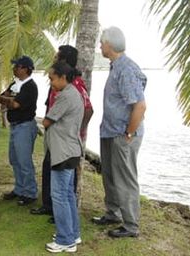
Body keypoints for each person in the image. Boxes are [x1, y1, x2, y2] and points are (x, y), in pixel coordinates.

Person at [92, 26, 147, 238]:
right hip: (110, 131)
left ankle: (131, 225)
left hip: (122, 134)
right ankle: (113, 213)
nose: (99, 46)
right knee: (110, 176)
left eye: (101, 42)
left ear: (109, 45)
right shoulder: (116, 67)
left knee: (125, 179)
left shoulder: (126, 69)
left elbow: (140, 106)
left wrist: (129, 134)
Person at [30, 45, 93, 222]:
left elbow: (88, 109)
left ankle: (60, 214)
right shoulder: (58, 81)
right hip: (55, 134)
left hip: (65, 139)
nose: (54, 59)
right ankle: (49, 206)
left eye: (57, 57)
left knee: (64, 184)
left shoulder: (75, 84)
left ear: (64, 61)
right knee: (49, 170)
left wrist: (77, 130)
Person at [43, 61, 83, 253]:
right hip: (70, 150)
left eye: (52, 78)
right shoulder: (72, 93)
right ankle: (72, 233)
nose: (50, 82)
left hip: (63, 152)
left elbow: (47, 120)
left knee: (59, 196)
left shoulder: (66, 96)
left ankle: (65, 239)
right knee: (67, 195)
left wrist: (46, 122)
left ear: (63, 77)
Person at [0, 56, 38, 206]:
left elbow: (14, 104)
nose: (14, 69)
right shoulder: (15, 84)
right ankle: (20, 188)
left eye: (17, 66)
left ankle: (30, 192)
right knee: (14, 159)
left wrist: (8, 100)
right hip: (15, 125)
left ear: (26, 69)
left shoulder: (30, 86)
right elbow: (0, 98)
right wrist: (8, 100)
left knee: (24, 161)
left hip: (25, 125)